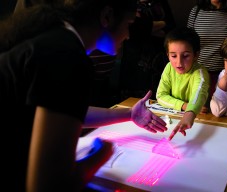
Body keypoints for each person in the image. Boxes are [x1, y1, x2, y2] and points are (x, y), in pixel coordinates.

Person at [0, 1, 168, 192]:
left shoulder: (53, 38)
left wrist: (129, 114)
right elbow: (49, 185)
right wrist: (101, 155)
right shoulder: (67, 55)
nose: (128, 35)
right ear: (107, 16)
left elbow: (65, 113)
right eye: (128, 24)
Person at [187, 0, 227, 107]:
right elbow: (187, 41)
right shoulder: (196, 10)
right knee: (198, 113)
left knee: (223, 113)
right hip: (198, 75)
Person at [156, 27, 210, 141]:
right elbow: (160, 96)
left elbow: (199, 94)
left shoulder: (200, 73)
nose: (179, 62)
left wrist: (190, 113)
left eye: (185, 56)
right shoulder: (169, 67)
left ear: (196, 55)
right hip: (174, 119)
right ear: (168, 55)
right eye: (173, 56)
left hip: (198, 121)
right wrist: (185, 106)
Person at [119, 0, 176, 101]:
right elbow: (133, 30)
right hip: (135, 63)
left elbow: (170, 27)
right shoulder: (129, 4)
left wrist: (147, 28)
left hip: (159, 61)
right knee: (132, 102)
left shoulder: (161, 3)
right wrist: (161, 23)